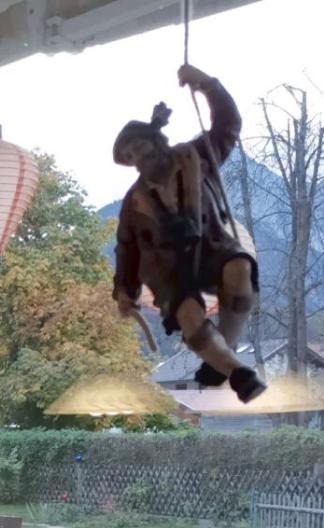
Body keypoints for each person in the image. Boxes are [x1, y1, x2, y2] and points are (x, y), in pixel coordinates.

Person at [112, 64, 266, 403]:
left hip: (210, 246)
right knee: (187, 314)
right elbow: (127, 248)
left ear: (156, 141)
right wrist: (125, 289)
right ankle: (238, 373)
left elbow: (228, 125)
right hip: (168, 269)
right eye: (131, 156)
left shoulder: (196, 158)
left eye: (140, 148)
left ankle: (222, 352)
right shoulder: (134, 202)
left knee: (239, 270)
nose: (138, 158)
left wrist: (207, 85)